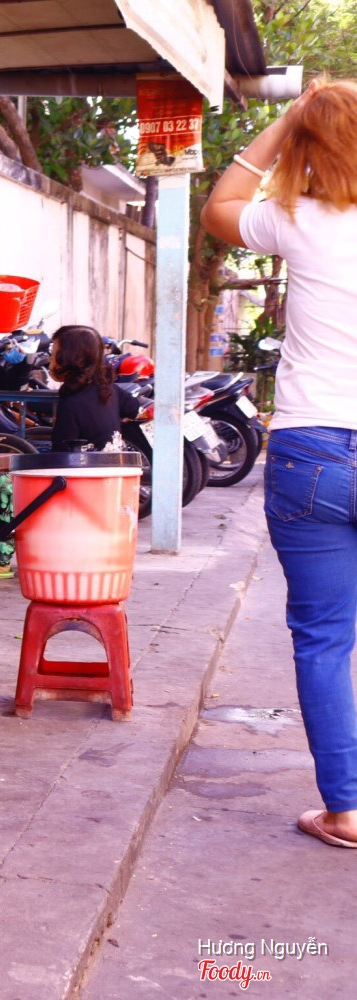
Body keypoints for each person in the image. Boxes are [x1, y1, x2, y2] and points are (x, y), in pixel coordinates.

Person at [202, 77, 357, 850]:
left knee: (324, 640)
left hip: (313, 451)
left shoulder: (295, 218)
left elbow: (219, 207)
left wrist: (284, 124)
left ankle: (347, 809)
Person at [47, 324, 140, 452]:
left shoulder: (71, 405)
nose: (50, 359)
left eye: (53, 354)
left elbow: (61, 454)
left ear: (70, 359)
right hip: (115, 462)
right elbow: (134, 408)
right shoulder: (109, 390)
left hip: (88, 465)